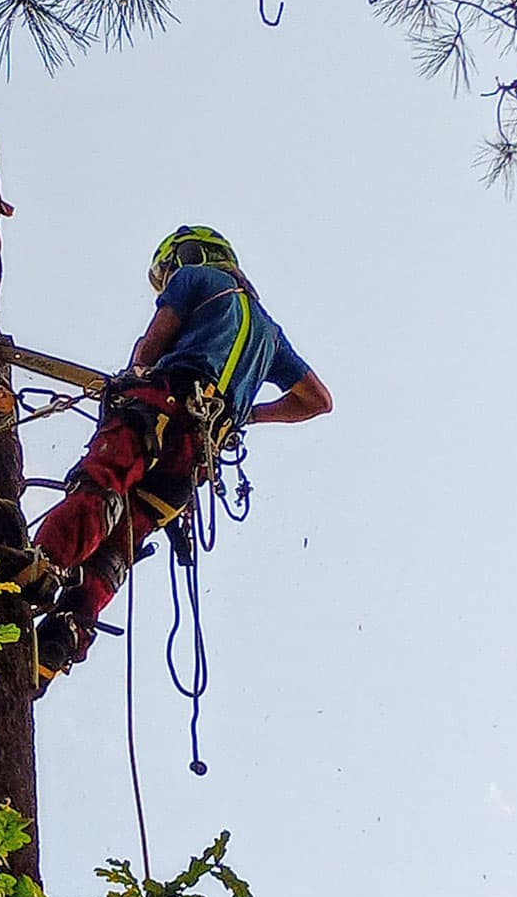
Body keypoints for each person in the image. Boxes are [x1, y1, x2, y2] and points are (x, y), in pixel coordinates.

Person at [26, 226, 332, 687]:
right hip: (192, 459)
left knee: (102, 483)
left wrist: (131, 380)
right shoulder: (270, 335)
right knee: (119, 546)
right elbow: (316, 400)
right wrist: (245, 416)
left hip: (161, 407)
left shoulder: (197, 281)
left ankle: (42, 566)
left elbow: (150, 346)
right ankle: (60, 640)